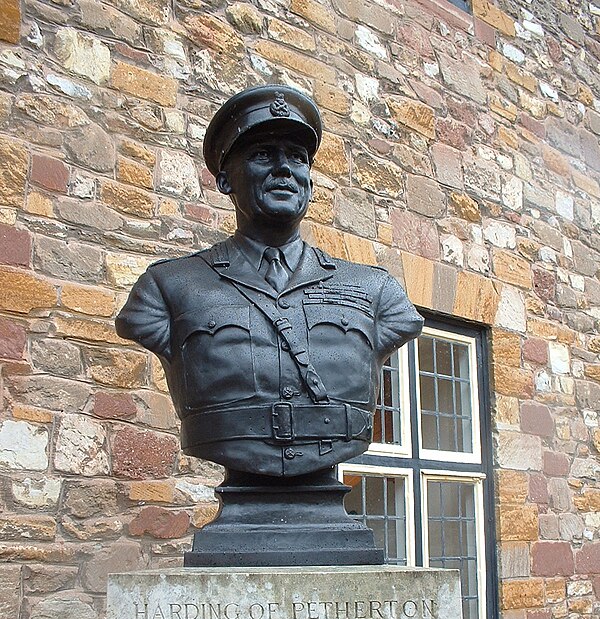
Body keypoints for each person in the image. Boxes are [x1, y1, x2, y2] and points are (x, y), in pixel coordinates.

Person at [116, 85, 423, 479]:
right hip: (231, 447)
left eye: (297, 158)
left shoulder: (377, 291)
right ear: (226, 181)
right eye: (263, 155)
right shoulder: (167, 288)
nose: (284, 169)